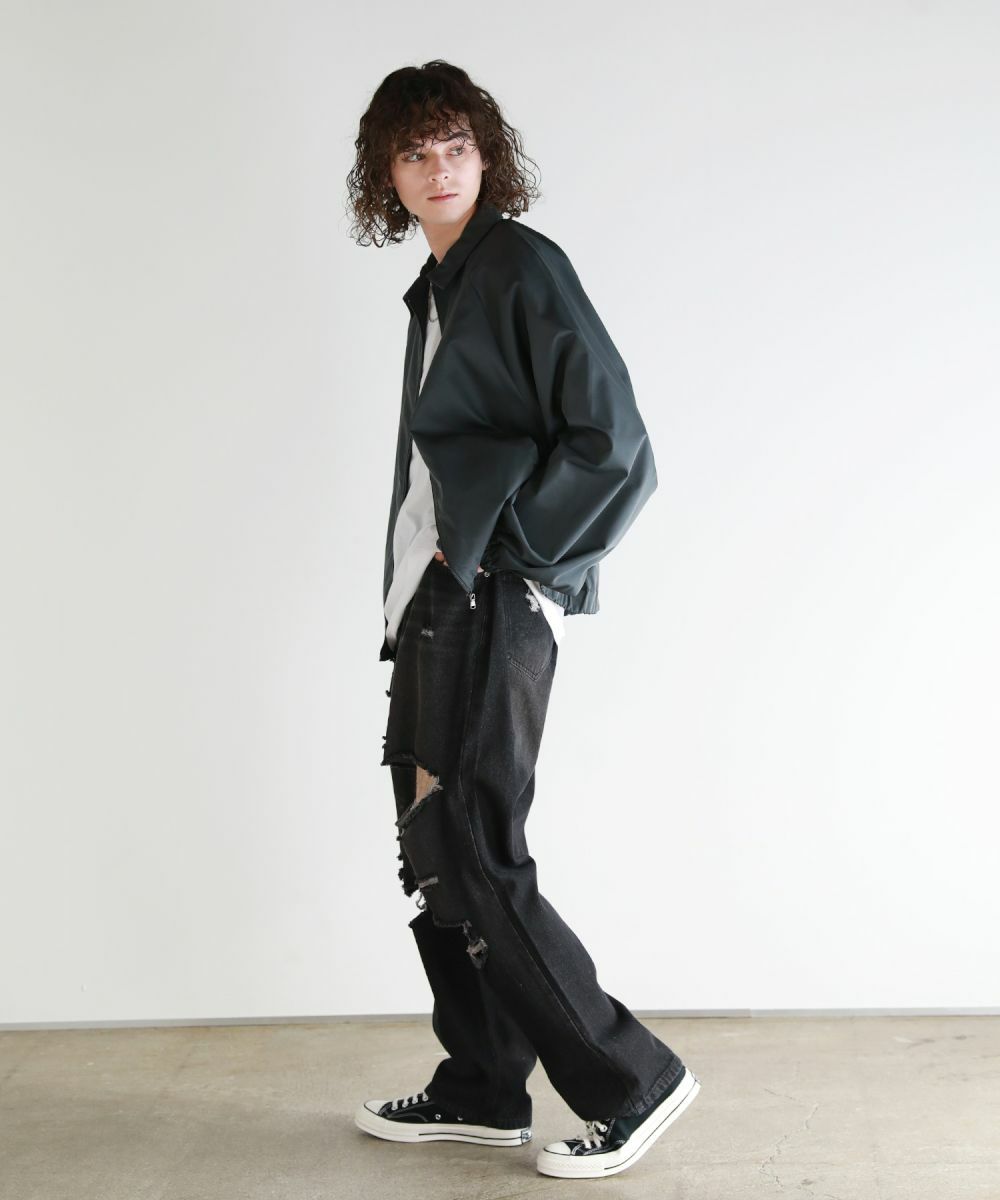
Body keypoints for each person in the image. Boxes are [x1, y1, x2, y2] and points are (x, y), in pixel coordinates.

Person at [345, 59, 700, 1180]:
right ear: (387, 175)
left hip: (487, 598)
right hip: (431, 603)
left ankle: (630, 1078)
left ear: (487, 155)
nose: (437, 167)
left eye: (455, 145)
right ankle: (483, 1085)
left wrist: (518, 552)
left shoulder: (518, 267)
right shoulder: (441, 288)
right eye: (414, 152)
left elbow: (616, 444)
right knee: (429, 847)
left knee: (473, 845)